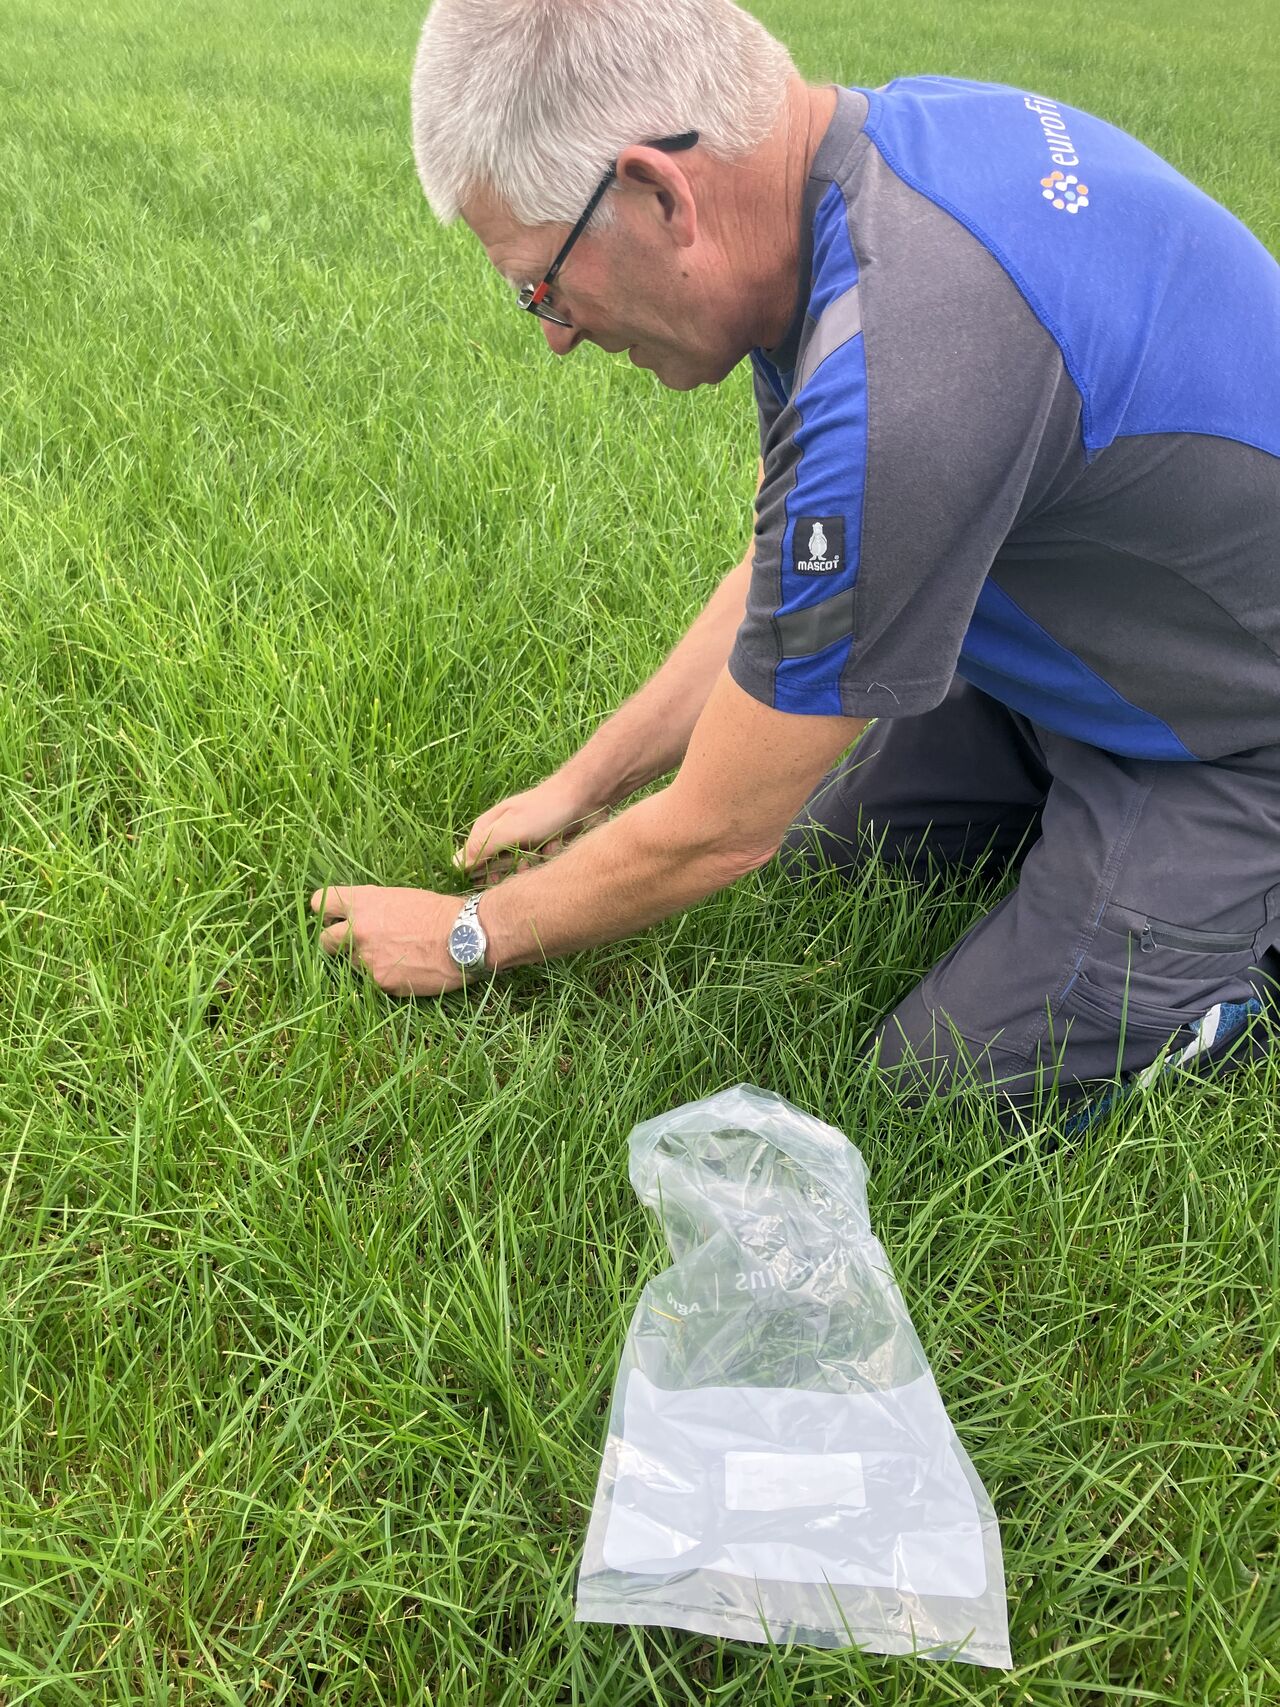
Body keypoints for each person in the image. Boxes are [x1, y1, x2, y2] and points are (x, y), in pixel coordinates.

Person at [312, 0, 1280, 1115]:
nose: (553, 333)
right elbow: (787, 584)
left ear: (656, 192)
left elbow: (719, 830)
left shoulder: (912, 363)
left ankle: (1220, 981)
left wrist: (465, 936)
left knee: (929, 1091)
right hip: (1074, 649)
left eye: (542, 283)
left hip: (1230, 738)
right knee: (834, 867)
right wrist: (583, 784)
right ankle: (1081, 836)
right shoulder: (853, 182)